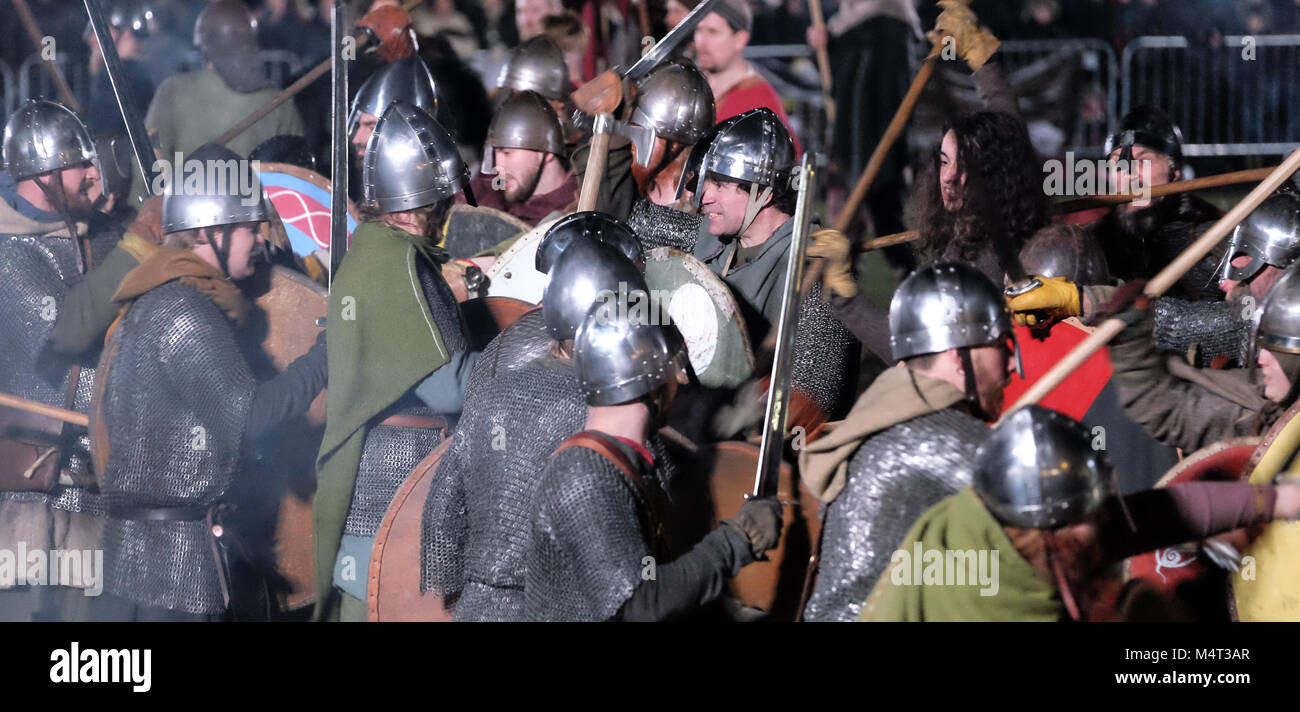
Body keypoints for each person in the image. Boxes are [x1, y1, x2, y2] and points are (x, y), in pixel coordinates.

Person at [90, 143, 327, 621]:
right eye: (247, 228)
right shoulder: (186, 312)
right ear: (208, 232)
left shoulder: (156, 300)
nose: (260, 240)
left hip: (144, 563)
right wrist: (326, 356)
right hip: (175, 565)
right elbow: (250, 418)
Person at [862, 405, 1300, 622]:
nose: (1104, 519)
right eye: (1090, 514)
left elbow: (1155, 515)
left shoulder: (1029, 528)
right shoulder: (980, 598)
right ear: (1053, 530)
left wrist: (1272, 500)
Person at [422, 219, 646, 621]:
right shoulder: (612, 407)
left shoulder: (494, 390)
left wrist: (463, 596)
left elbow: (443, 508)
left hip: (479, 606)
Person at [313, 101, 480, 621]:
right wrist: (518, 357)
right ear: (414, 205)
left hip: (396, 481)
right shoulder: (396, 264)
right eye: (440, 202)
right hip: (393, 480)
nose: (448, 212)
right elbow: (449, 387)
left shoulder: (379, 252)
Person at [524, 302, 783, 621]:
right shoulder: (584, 476)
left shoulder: (622, 462)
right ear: (652, 378)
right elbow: (640, 606)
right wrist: (736, 540)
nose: (680, 380)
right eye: (671, 366)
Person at [797, 261, 1016, 622]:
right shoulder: (953, 443)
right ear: (958, 357)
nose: (1011, 366)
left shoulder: (874, 418)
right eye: (1000, 347)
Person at [0, 101, 113, 621]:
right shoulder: (11, 255)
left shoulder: (84, 242)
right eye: (78, 164)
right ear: (41, 175)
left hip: (87, 490)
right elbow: (59, 345)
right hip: (27, 498)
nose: (93, 174)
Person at [684, 108, 856, 417]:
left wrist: (735, 416)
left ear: (762, 194)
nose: (703, 197)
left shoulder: (810, 269)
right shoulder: (714, 237)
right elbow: (636, 225)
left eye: (720, 185)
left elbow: (804, 403)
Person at [1092, 105, 1224, 303]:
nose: (1129, 174)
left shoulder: (1212, 239)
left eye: (1143, 160)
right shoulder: (1093, 241)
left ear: (1174, 173)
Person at [145, 0, 306, 159]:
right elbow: (296, 170)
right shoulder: (279, 102)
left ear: (204, 47)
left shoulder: (173, 91)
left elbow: (149, 157)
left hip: (187, 182)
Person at [692, 0, 801, 154]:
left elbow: (788, 159)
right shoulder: (690, 85)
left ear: (740, 39)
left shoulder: (760, 100)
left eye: (712, 32)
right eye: (698, 30)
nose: (701, 42)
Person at [467, 90, 577, 225]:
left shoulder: (577, 213)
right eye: (496, 153)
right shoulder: (487, 196)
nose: (498, 166)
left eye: (507, 153)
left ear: (547, 153)